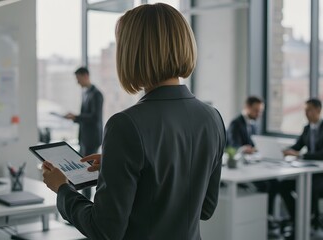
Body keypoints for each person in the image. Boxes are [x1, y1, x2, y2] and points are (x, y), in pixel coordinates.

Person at [42, 3, 226, 240]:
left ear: (133, 52)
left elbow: (104, 230)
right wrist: (118, 166)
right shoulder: (212, 118)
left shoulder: (126, 124)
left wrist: (63, 189)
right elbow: (205, 208)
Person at [280, 98, 323, 239]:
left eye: (309, 110)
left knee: (308, 188)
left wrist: (300, 155)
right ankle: (298, 220)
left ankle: (307, 222)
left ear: (318, 110)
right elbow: (297, 146)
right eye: (305, 110)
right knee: (283, 185)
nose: (306, 113)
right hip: (311, 175)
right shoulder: (307, 128)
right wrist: (287, 150)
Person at [227, 96, 279, 227]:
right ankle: (263, 217)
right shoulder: (236, 123)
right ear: (247, 107)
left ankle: (268, 216)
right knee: (265, 185)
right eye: (256, 110)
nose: (259, 114)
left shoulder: (253, 124)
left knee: (274, 182)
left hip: (252, 164)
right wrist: (245, 149)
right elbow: (233, 146)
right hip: (239, 167)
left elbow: (254, 144)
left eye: (261, 111)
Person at [64, 67, 103, 200]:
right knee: (84, 172)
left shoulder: (96, 94)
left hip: (92, 139)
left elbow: (95, 117)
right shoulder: (86, 93)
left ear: (85, 76)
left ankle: (88, 205)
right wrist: (75, 118)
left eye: (78, 79)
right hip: (84, 138)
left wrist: (76, 117)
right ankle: (84, 202)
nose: (77, 82)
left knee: (88, 173)